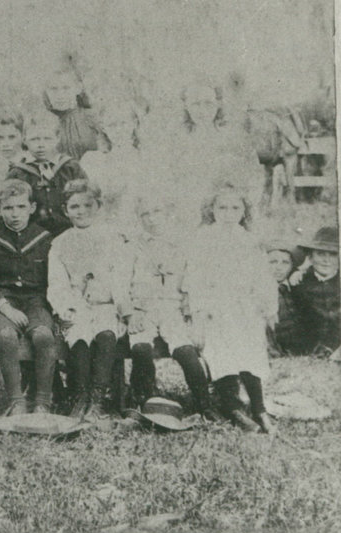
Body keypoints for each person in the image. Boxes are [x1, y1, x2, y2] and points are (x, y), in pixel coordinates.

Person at [183, 184, 277, 433]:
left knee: (250, 353)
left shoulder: (248, 240)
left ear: (244, 211)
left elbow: (263, 277)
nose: (228, 213)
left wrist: (268, 307)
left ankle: (259, 407)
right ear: (211, 210)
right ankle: (232, 406)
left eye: (235, 208)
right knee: (222, 354)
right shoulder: (203, 239)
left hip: (245, 307)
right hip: (215, 308)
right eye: (222, 207)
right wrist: (199, 315)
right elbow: (195, 279)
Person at [47, 180, 130, 421]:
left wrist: (123, 311)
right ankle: (80, 396)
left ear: (98, 206)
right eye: (74, 207)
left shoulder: (113, 239)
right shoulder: (60, 243)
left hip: (106, 304)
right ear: (65, 210)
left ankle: (97, 398)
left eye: (87, 205)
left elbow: (121, 278)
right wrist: (66, 308)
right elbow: (57, 283)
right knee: (79, 336)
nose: (81, 211)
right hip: (77, 304)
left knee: (105, 334)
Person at [125, 195, 214, 417]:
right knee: (140, 348)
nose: (151, 219)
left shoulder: (181, 244)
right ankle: (144, 401)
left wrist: (190, 309)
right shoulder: (132, 245)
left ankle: (205, 404)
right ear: (138, 218)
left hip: (172, 307)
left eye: (157, 212)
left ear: (168, 214)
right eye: (145, 214)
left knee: (185, 349)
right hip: (142, 308)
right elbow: (121, 280)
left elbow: (193, 279)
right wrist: (128, 312)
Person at [0, 180, 58, 416]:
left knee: (43, 335)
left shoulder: (44, 238)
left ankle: (42, 401)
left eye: (21, 207)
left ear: (32, 208)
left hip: (36, 300)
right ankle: (16, 401)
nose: (15, 214)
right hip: (5, 301)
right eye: (8, 208)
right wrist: (4, 307)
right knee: (6, 335)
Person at [7, 112, 88, 235]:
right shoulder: (18, 173)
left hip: (70, 231)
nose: (41, 145)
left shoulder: (70, 168)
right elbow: (5, 203)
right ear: (24, 139)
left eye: (47, 139)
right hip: (32, 237)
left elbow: (87, 198)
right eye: (34, 139)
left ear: (57, 138)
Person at [290, 227, 340, 356]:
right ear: (310, 257)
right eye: (321, 254)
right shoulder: (298, 282)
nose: (326, 260)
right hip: (309, 349)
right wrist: (298, 271)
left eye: (333, 254)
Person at [43, 69, 101, 161]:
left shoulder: (93, 118)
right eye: (54, 89)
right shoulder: (42, 122)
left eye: (66, 88)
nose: (60, 95)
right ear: (46, 90)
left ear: (78, 88)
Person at [264, 240, 301, 356]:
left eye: (285, 263)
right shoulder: (258, 292)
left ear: (292, 267)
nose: (278, 268)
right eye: (273, 262)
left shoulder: (298, 287)